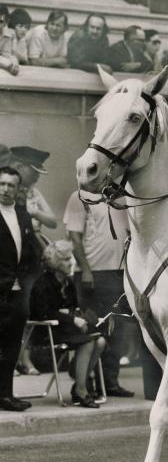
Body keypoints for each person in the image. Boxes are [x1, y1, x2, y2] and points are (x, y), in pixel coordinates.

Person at [64, 191, 134, 397]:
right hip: (91, 273)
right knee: (93, 328)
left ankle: (110, 382)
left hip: (119, 272)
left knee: (117, 328)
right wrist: (85, 269)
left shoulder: (123, 198)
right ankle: (84, 384)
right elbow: (74, 238)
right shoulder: (79, 197)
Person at [30, 240, 106, 408]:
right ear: (55, 262)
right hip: (47, 331)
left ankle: (78, 376)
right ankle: (81, 389)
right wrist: (71, 318)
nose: (71, 262)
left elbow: (70, 308)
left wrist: (78, 316)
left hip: (65, 328)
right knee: (88, 342)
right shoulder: (43, 283)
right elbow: (44, 313)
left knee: (100, 341)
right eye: (66, 259)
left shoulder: (68, 283)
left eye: (70, 259)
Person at [10, 146, 57, 375]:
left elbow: (52, 221)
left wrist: (33, 212)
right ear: (20, 168)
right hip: (11, 257)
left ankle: (23, 357)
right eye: (34, 171)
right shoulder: (7, 188)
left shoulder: (33, 193)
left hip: (31, 255)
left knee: (27, 310)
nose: (37, 176)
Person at [0, 166, 37, 411]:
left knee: (12, 346)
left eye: (10, 185)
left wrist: (26, 286)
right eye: (1, 184)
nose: (5, 189)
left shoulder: (23, 216)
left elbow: (32, 255)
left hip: (17, 294)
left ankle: (6, 395)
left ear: (18, 189)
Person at [0, 4, 19, 75]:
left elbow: (8, 54)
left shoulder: (8, 34)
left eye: (0, 21)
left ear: (5, 23)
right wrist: (8, 65)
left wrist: (15, 64)